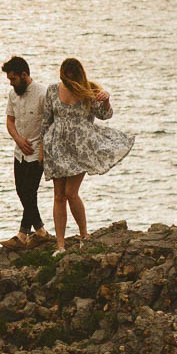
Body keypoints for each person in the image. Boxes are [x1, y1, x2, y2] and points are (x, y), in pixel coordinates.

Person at [38, 57, 134, 248]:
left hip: (80, 148)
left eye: (71, 75)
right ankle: (60, 245)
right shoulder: (52, 90)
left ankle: (84, 234)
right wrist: (41, 150)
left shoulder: (89, 90)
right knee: (58, 195)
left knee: (71, 193)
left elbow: (105, 115)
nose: (68, 79)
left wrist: (106, 100)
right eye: (66, 76)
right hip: (57, 146)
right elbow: (46, 121)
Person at [1, 56, 51, 248]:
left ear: (24, 75)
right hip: (20, 151)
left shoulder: (42, 93)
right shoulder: (13, 94)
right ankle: (40, 231)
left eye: (13, 79)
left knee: (30, 192)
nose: (11, 83)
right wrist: (18, 139)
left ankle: (23, 234)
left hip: (37, 150)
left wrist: (43, 153)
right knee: (22, 191)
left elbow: (49, 124)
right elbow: (10, 121)